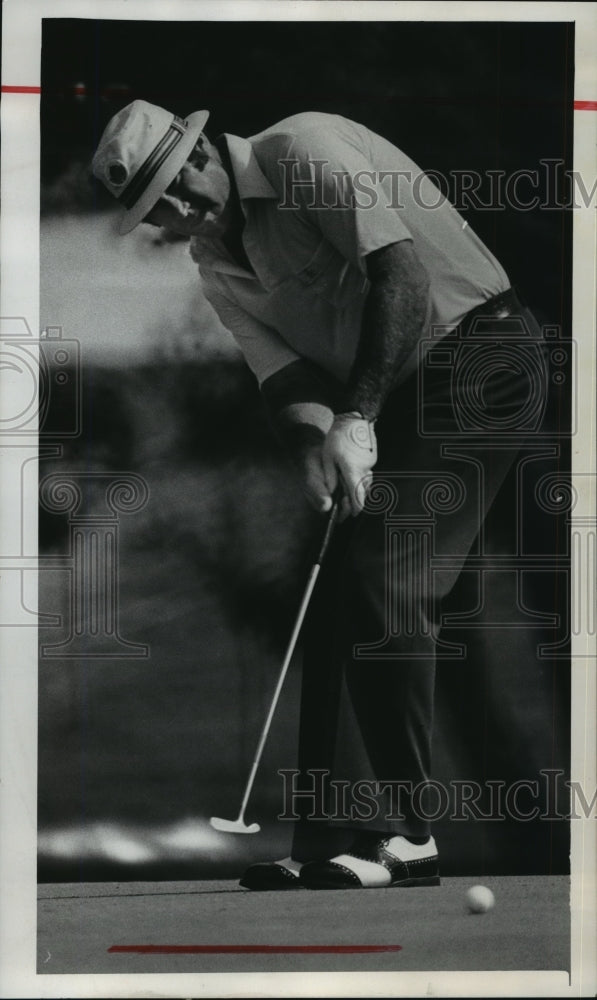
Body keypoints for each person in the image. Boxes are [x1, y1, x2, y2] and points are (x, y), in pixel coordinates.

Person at [92, 100, 547, 890]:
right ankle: (337, 835)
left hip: (481, 358)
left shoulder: (304, 149)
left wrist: (359, 418)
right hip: (394, 396)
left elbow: (397, 276)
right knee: (340, 587)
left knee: (384, 574)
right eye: (154, 209)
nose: (176, 212)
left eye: (176, 185)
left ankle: (400, 833)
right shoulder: (215, 262)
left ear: (202, 147)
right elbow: (286, 376)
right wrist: (313, 449)